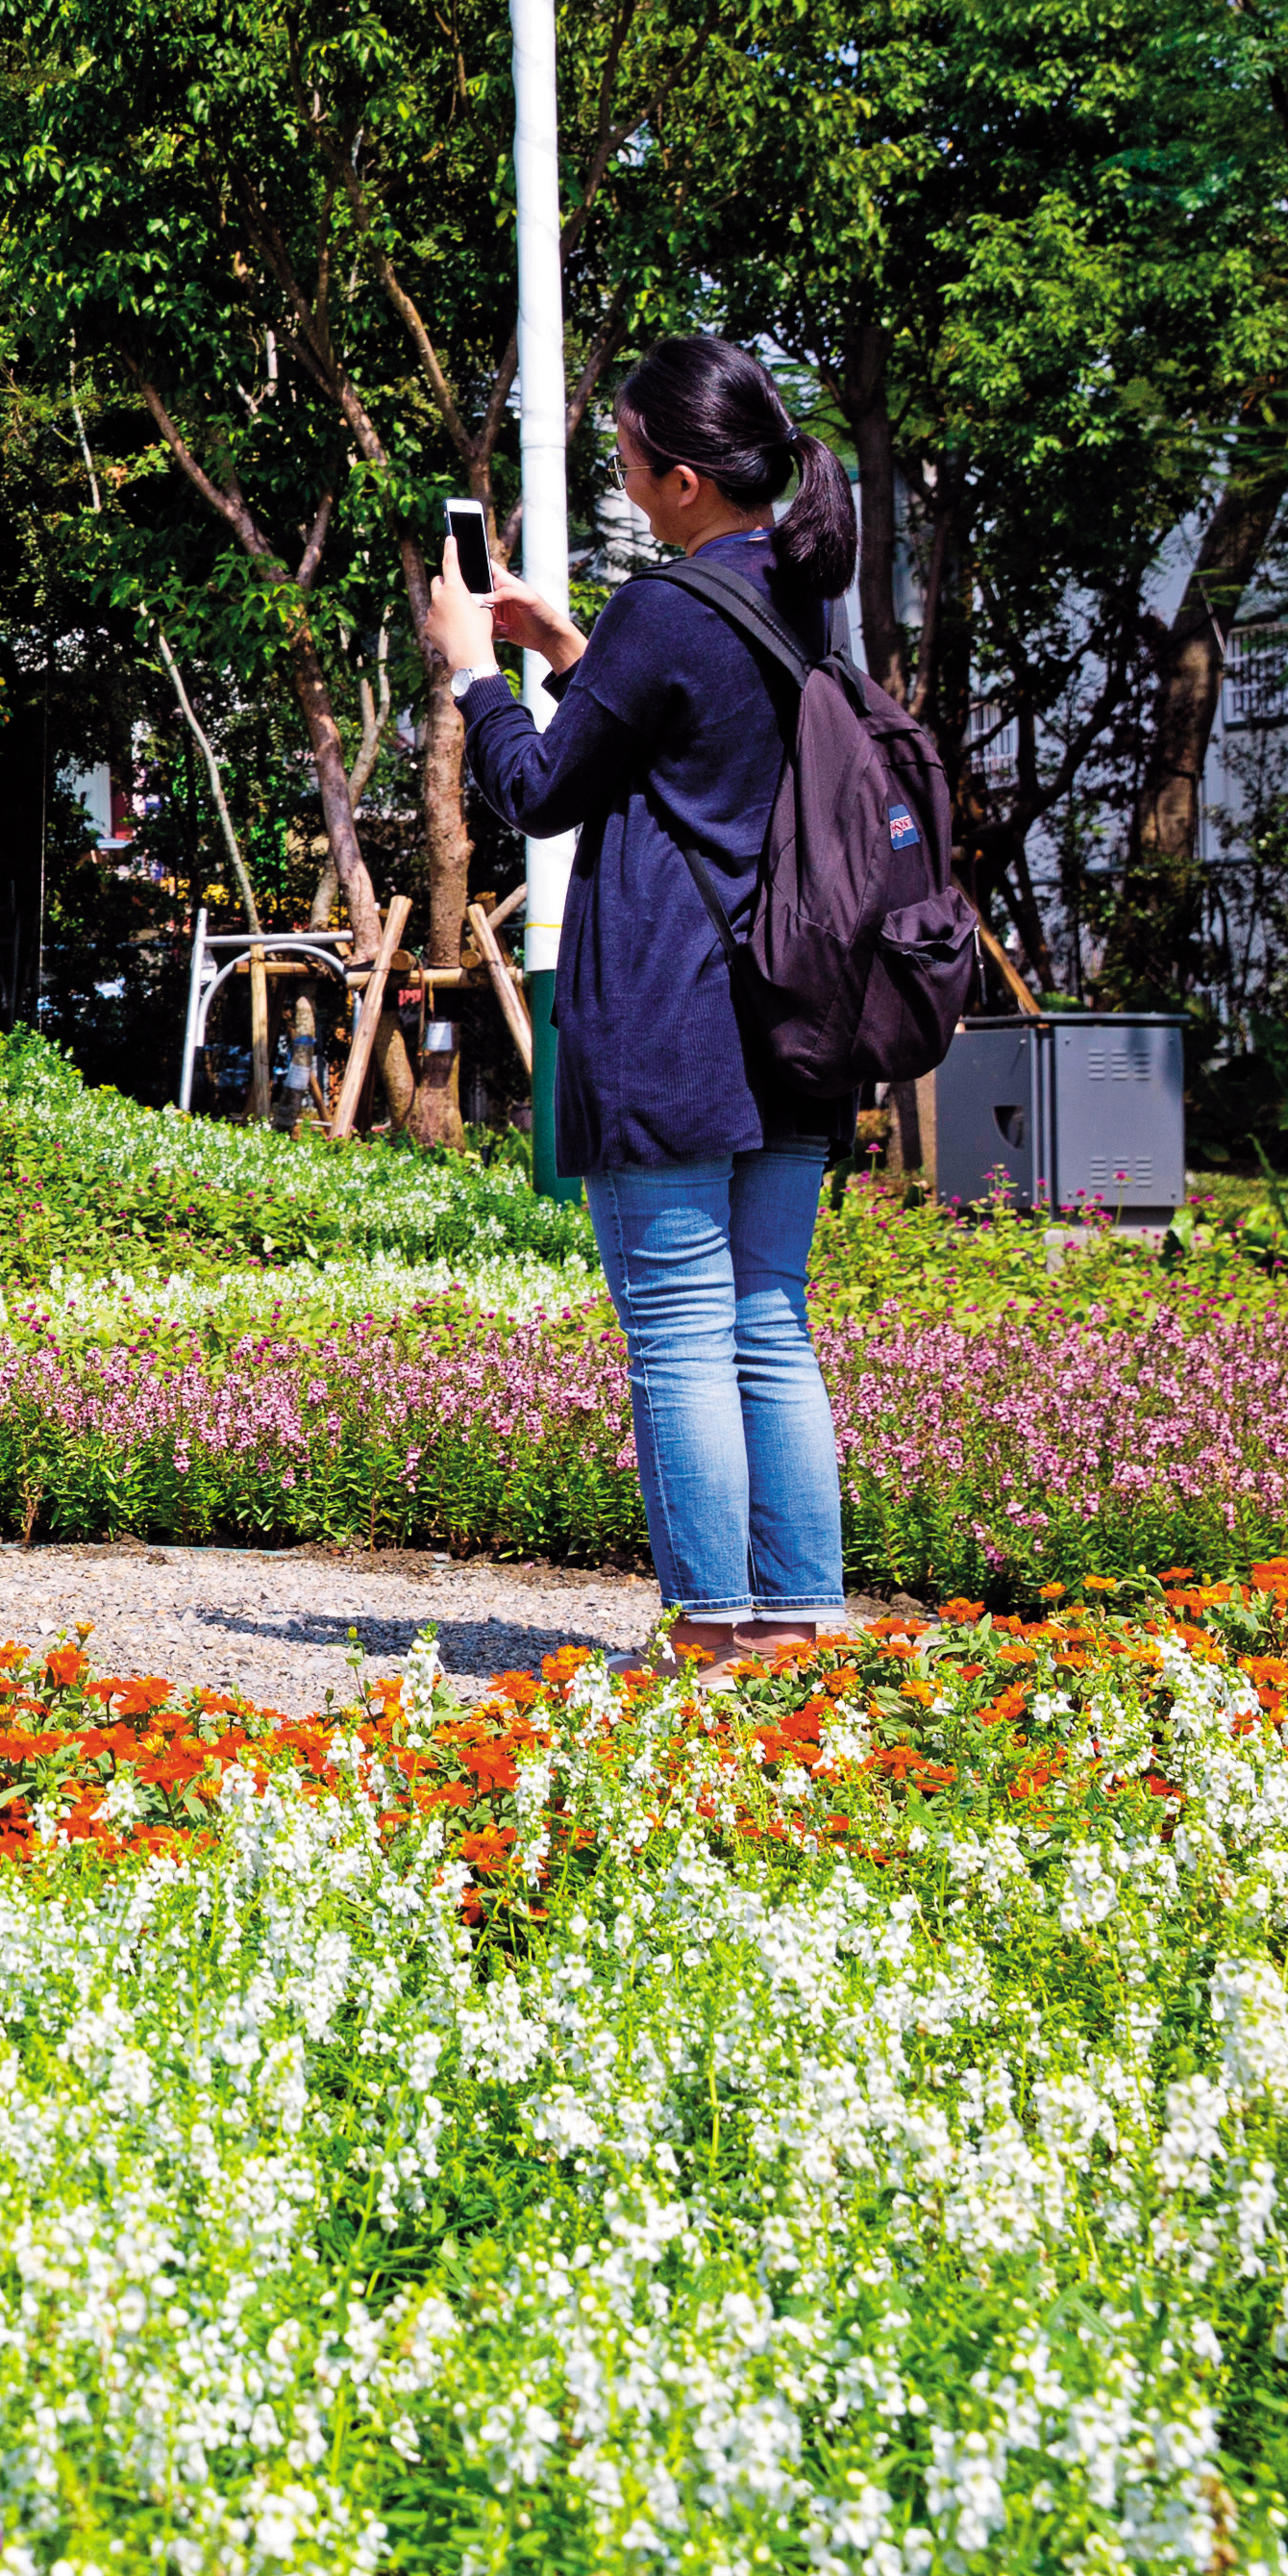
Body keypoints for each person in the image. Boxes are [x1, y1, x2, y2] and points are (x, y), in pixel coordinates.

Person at [422, 332, 858, 1665]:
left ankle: (711, 1636)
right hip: (797, 1014)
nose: (619, 481)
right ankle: (793, 1626)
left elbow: (542, 790)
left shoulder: (669, 609)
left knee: (677, 1333)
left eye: (624, 458)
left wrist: (475, 672)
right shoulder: (805, 593)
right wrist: (567, 642)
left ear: (682, 480)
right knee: (768, 1323)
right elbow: (689, 740)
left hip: (672, 1015)